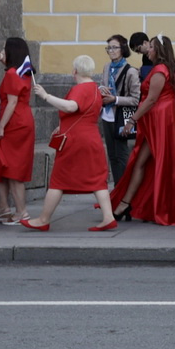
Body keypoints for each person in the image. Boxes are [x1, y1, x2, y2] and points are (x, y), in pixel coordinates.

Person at [22, 56, 118, 232]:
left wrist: (46, 95)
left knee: (58, 180)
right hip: (92, 138)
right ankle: (108, 217)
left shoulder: (80, 89)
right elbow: (83, 113)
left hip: (75, 141)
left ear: (75, 71)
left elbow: (71, 107)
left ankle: (43, 219)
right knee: (98, 179)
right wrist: (61, 126)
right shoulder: (96, 89)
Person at [113, 36, 175, 225]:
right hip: (158, 119)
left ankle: (130, 204)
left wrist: (132, 121)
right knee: (144, 162)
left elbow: (152, 99)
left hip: (158, 120)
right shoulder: (163, 69)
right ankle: (126, 203)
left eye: (151, 47)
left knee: (155, 162)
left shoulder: (160, 70)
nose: (148, 50)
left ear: (159, 50)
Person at [0, 38, 36, 224]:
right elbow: (11, 67)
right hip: (22, 121)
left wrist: (0, 127)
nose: (2, 51)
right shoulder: (23, 71)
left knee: (11, 168)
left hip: (14, 124)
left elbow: (12, 102)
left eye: (4, 49)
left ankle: (21, 212)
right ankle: (4, 206)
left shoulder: (12, 74)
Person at [97, 35, 140, 190]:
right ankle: (117, 188)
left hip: (120, 117)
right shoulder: (107, 67)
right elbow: (103, 85)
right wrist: (101, 90)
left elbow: (136, 99)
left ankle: (124, 191)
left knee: (121, 156)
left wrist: (114, 99)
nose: (111, 51)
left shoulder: (130, 72)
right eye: (109, 48)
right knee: (112, 155)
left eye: (115, 47)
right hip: (106, 115)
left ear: (123, 49)